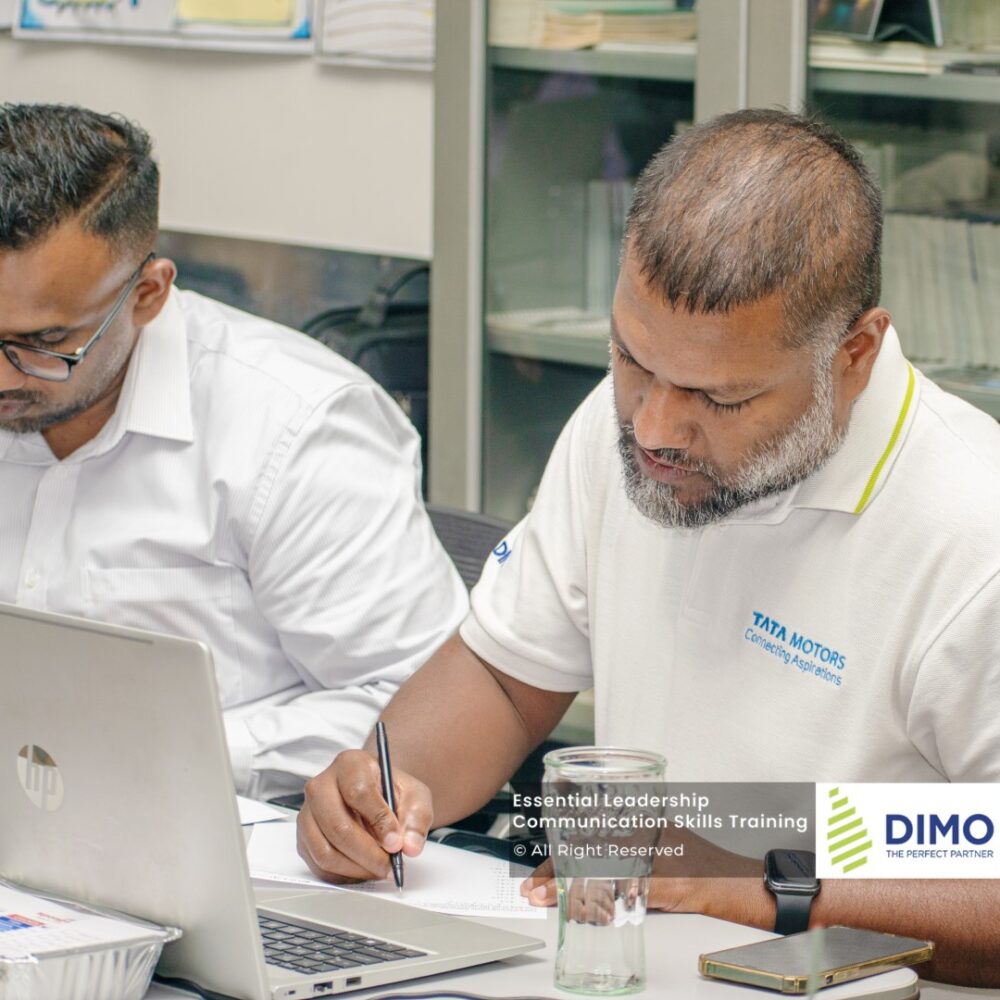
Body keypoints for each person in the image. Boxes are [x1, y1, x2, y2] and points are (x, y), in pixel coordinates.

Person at [296, 109, 1000, 986]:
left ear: (853, 355)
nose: (655, 429)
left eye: (721, 399)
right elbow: (507, 680)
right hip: (628, 966)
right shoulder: (618, 423)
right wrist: (378, 792)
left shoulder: (973, 534)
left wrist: (757, 881)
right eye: (631, 359)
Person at [0, 103, 467, 801]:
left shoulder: (294, 426)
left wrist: (150, 756)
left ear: (148, 294)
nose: (3, 376)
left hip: (235, 826)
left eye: (42, 344)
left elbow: (421, 699)